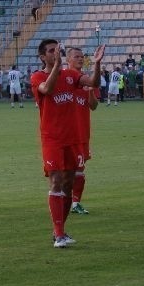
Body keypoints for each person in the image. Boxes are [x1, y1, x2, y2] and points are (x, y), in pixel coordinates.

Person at [31, 40, 104, 248]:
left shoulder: (71, 76)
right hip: (52, 139)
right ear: (43, 57)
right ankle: (59, 233)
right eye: (51, 51)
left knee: (68, 184)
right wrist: (57, 67)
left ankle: (60, 230)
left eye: (57, 50)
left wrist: (97, 64)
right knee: (56, 181)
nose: (56, 53)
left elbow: (93, 83)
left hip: (74, 138)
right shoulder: (37, 77)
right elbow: (48, 88)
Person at [67, 48, 98, 215]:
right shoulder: (63, 79)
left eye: (82, 57)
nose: (80, 59)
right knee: (65, 171)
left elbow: (93, 106)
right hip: (66, 134)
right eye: (76, 57)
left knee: (80, 169)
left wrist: (91, 91)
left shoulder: (87, 81)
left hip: (82, 133)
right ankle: (64, 201)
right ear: (68, 60)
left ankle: (75, 203)